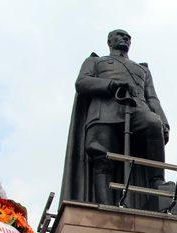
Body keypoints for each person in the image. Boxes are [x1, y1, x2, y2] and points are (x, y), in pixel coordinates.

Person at [61, 29, 170, 209]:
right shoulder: (95, 61)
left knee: (153, 123)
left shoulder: (142, 69)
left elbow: (152, 97)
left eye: (128, 37)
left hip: (137, 110)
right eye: (120, 35)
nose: (125, 38)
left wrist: (163, 120)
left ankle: (157, 181)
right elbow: (82, 83)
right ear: (109, 41)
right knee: (102, 158)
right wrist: (111, 85)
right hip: (104, 112)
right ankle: (105, 205)